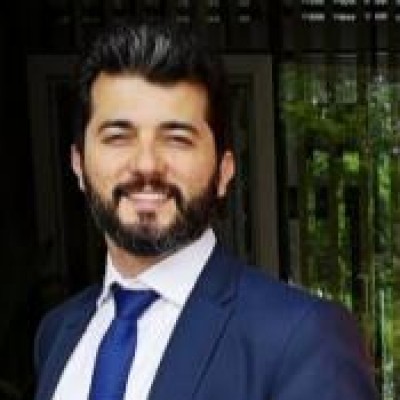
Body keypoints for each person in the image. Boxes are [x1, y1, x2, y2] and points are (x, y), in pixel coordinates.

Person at [34, 20, 378, 400]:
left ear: (224, 172)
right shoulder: (58, 333)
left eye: (177, 139)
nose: (146, 164)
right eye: (118, 137)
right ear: (78, 164)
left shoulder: (303, 337)